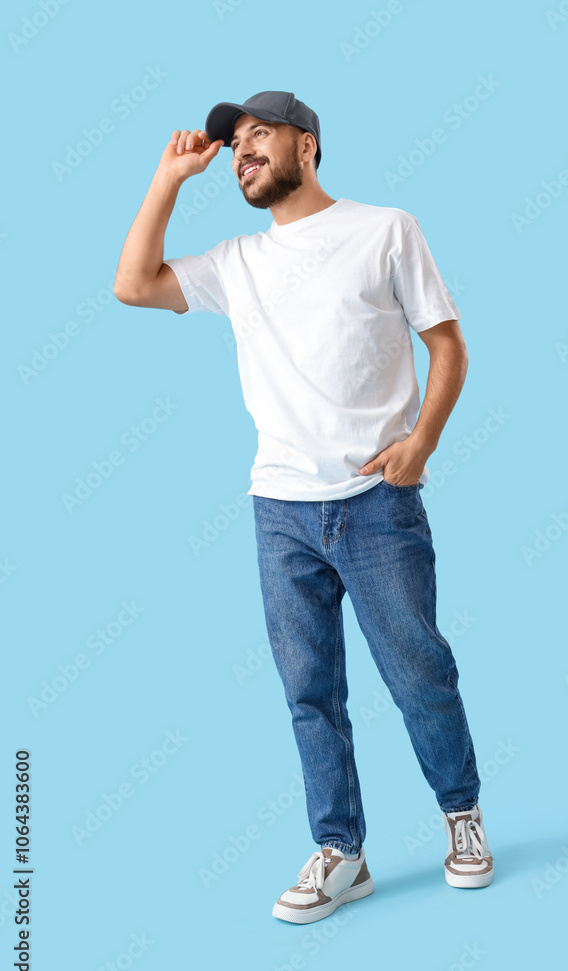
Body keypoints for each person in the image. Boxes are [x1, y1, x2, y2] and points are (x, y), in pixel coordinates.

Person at [114, 91, 494, 924]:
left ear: (307, 146)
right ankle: (341, 852)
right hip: (278, 508)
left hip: (375, 501)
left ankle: (460, 817)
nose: (242, 152)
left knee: (419, 673)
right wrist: (169, 177)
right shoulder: (237, 260)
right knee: (308, 691)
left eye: (258, 137)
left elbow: (447, 343)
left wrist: (420, 442)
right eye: (234, 145)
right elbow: (133, 285)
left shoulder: (385, 228)